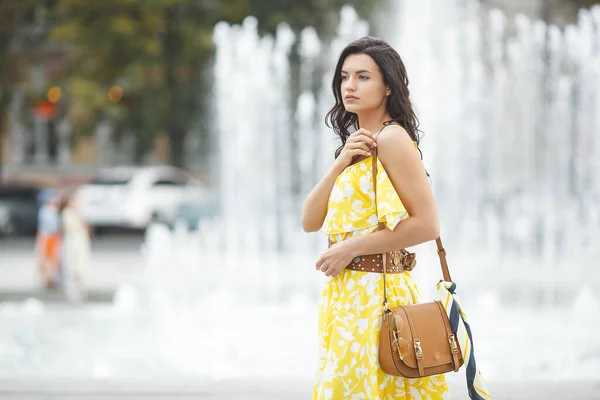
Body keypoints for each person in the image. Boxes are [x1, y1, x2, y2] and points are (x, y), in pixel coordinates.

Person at [302, 37, 450, 399]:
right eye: (344, 77)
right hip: (347, 297)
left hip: (378, 294)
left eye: (363, 77)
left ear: (387, 86)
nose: (349, 86)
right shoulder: (358, 144)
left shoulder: (393, 139)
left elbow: (428, 224)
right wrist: (339, 164)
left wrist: (350, 248)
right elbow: (309, 220)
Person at [59, 191, 91, 302]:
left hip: (80, 243)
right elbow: (68, 229)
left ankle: (81, 291)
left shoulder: (79, 212)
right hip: (72, 243)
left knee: (81, 266)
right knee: (72, 267)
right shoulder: (67, 213)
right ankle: (72, 292)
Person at [36, 192, 63, 289]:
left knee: (53, 260)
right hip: (48, 238)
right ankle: (48, 280)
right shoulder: (47, 211)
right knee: (48, 260)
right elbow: (46, 229)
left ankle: (52, 280)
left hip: (53, 238)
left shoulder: (54, 211)